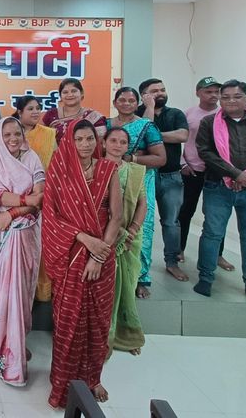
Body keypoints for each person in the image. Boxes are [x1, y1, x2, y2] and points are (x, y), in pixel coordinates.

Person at [42, 119, 122, 407]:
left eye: (90, 139)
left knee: (98, 321)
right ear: (69, 142)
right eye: (79, 139)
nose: (86, 144)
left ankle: (94, 378)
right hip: (71, 252)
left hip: (103, 252)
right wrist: (85, 240)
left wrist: (99, 255)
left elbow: (116, 216)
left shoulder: (107, 170)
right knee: (69, 321)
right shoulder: (59, 172)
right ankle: (62, 382)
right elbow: (51, 216)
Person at [195, 79, 246, 307]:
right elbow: (206, 152)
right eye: (225, 97)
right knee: (212, 233)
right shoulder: (209, 122)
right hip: (218, 187)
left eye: (237, 96)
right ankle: (205, 278)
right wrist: (235, 174)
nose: (230, 101)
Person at [0, 117, 45, 386]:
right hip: (2, 237)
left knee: (21, 292)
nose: (13, 139)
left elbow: (40, 197)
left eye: (16, 133)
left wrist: (14, 212)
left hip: (26, 231)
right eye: (7, 134)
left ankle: (17, 342)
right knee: (2, 292)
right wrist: (24, 200)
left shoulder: (32, 158)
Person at [107, 87, 166, 298]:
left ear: (137, 103)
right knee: (110, 222)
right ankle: (111, 274)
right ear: (115, 102)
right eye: (122, 100)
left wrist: (131, 159)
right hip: (110, 177)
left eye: (131, 100)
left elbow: (160, 158)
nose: (126, 104)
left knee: (142, 226)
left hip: (139, 179)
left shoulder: (147, 126)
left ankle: (140, 277)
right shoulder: (106, 125)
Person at [137, 78, 190, 282]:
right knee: (143, 223)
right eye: (154, 91)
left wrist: (155, 136)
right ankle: (141, 268)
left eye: (162, 89)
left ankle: (172, 262)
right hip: (144, 175)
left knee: (171, 222)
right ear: (144, 95)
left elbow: (182, 136)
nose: (160, 93)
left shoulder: (175, 113)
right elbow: (142, 132)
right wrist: (149, 108)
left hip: (171, 176)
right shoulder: (136, 113)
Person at [180, 77, 234, 270]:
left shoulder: (225, 115)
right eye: (208, 91)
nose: (213, 95)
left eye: (216, 92)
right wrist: (182, 164)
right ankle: (179, 249)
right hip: (192, 171)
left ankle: (217, 255)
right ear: (198, 93)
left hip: (218, 173)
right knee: (185, 212)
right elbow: (180, 141)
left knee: (217, 216)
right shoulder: (188, 114)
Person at [103, 127, 147, 356]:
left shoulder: (135, 171)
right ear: (104, 143)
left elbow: (142, 203)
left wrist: (132, 230)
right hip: (103, 235)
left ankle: (126, 335)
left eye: (122, 142)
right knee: (104, 288)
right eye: (113, 140)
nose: (117, 145)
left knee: (126, 287)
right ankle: (102, 337)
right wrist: (116, 231)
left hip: (129, 237)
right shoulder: (95, 168)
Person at [15, 95, 58, 301]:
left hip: (44, 196)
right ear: (20, 112)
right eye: (30, 108)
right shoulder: (11, 133)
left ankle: (41, 291)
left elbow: (56, 163)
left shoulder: (49, 134)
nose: (35, 112)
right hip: (16, 198)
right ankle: (19, 289)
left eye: (38, 108)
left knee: (42, 244)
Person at [42, 78, 107, 144]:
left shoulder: (93, 117)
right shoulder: (51, 114)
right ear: (60, 96)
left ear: (82, 93)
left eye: (74, 91)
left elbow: (99, 143)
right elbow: (41, 138)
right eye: (65, 92)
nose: (70, 95)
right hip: (56, 151)